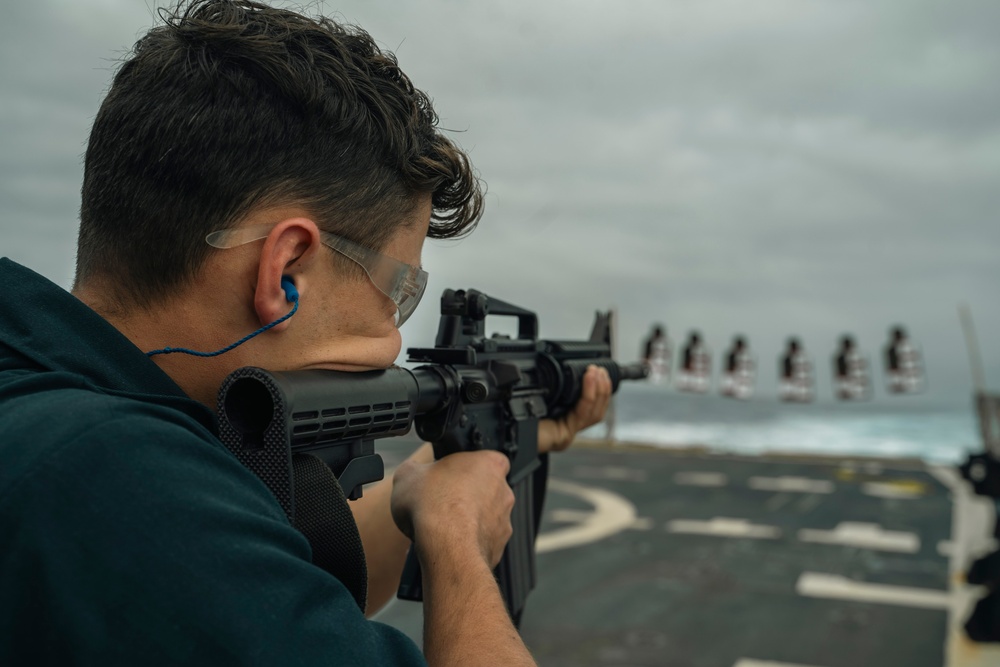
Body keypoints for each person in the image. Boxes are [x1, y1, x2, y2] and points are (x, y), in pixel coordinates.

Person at [0, 2, 612, 665]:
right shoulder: (119, 480)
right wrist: (457, 541)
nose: (391, 341)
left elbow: (284, 608)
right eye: (399, 291)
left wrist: (451, 464)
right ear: (283, 270)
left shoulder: (48, 405)